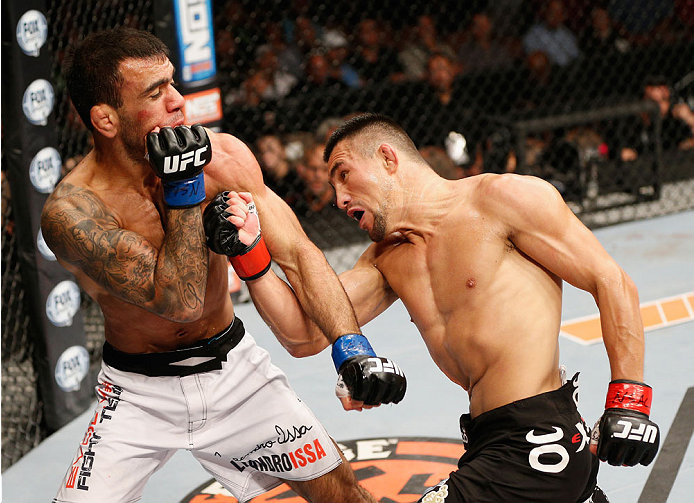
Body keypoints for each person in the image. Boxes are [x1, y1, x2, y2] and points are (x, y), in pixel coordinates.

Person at [41, 29, 405, 503]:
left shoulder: (223, 156)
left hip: (233, 369)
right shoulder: (73, 213)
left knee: (342, 493)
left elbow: (297, 252)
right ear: (105, 120)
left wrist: (350, 347)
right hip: (137, 394)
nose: (177, 103)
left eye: (173, 83)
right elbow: (180, 302)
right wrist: (185, 189)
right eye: (155, 93)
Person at [217, 113, 661, 502]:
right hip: (491, 440)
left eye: (344, 175)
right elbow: (304, 333)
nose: (338, 198)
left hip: (537, 437)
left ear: (389, 160)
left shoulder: (502, 199)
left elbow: (611, 280)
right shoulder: (388, 258)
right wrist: (252, 257)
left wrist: (631, 401)